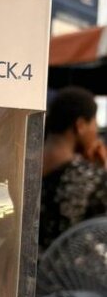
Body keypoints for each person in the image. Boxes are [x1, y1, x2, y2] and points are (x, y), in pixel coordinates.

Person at [39, 87, 107, 251]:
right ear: (80, 125)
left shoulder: (24, 165)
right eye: (94, 122)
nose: (96, 130)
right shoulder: (92, 178)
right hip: (66, 264)